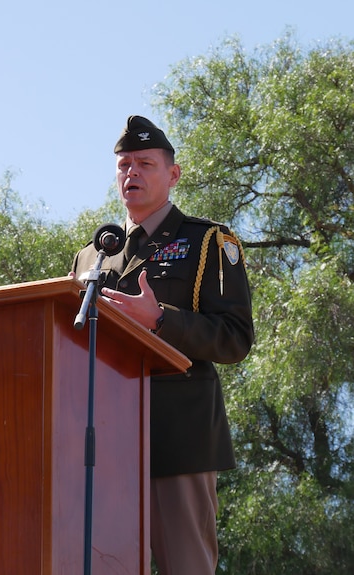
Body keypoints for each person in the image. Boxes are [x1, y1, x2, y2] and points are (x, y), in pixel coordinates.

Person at [70, 116, 254, 574]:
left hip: (178, 435)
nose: (132, 172)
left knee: (185, 566)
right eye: (124, 164)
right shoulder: (93, 256)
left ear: (172, 175)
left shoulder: (207, 241)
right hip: (101, 441)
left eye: (145, 163)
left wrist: (159, 319)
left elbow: (235, 338)